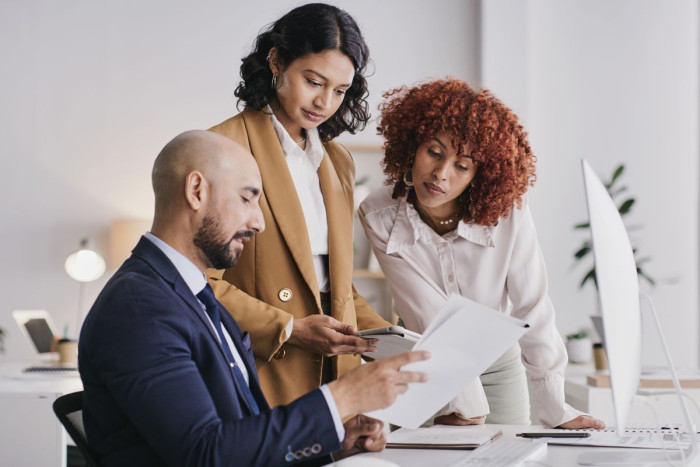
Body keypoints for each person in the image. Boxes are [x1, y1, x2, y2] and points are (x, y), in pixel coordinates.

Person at [78, 130, 429, 466]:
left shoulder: (192, 294)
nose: (259, 222)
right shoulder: (138, 308)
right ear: (196, 190)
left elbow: (240, 442)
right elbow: (204, 455)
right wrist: (343, 399)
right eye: (247, 198)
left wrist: (331, 449)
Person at [358, 78, 605, 429]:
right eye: (434, 152)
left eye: (462, 165)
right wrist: (464, 405)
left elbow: (532, 305)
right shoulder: (378, 213)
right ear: (413, 145)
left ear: (480, 174)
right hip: (424, 359)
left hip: (499, 363)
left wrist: (555, 408)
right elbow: (425, 310)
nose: (441, 174)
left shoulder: (509, 213)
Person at [207, 3, 390, 408]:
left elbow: (333, 286)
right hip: (261, 370)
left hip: (334, 374)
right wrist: (288, 328)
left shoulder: (337, 161)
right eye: (314, 81)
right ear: (275, 60)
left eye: (340, 91)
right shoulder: (223, 149)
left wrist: (396, 341)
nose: (325, 102)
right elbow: (197, 283)